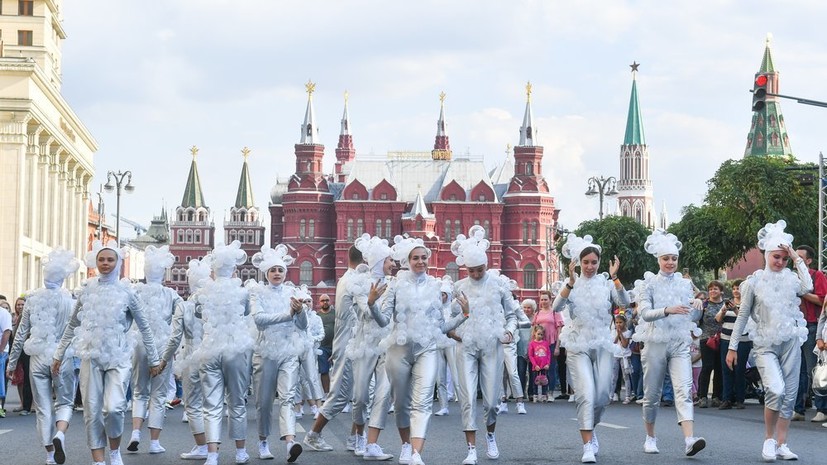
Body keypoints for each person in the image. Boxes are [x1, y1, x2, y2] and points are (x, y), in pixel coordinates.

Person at [52, 240, 161, 465]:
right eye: (101, 259)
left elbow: (145, 328)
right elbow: (72, 325)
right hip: (90, 356)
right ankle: (98, 460)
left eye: (110, 259)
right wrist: (58, 354)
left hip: (118, 357)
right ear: (95, 262)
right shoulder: (86, 290)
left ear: (118, 263)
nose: (105, 263)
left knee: (114, 408)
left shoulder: (128, 292)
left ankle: (114, 452)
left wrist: (155, 359)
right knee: (92, 410)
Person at [370, 235, 467, 465]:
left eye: (424, 257)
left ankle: (416, 453)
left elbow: (440, 326)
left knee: (422, 402)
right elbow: (384, 321)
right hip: (398, 350)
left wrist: (464, 316)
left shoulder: (435, 286)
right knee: (401, 402)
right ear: (407, 260)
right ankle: (405, 445)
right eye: (416, 258)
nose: (421, 261)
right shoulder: (394, 285)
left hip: (427, 349)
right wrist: (372, 303)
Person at [726, 221, 812, 461]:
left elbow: (808, 286)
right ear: (766, 255)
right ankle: (768, 439)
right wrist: (732, 347)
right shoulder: (753, 282)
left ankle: (782, 443)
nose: (780, 262)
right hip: (764, 344)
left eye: (784, 259)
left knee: (791, 394)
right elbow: (742, 316)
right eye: (777, 257)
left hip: (791, 342)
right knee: (775, 389)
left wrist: (796, 258)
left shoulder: (790, 278)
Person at [553, 233, 629, 463]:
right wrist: (570, 283)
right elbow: (557, 306)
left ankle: (591, 427)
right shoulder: (571, 285)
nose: (590, 266)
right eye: (585, 262)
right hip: (578, 344)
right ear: (577, 263)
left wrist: (615, 278)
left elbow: (624, 302)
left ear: (599, 263)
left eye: (594, 262)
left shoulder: (607, 284)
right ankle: (587, 445)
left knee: (603, 394)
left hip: (602, 343)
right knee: (585, 393)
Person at [633, 229, 706, 457]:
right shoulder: (649, 284)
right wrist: (666, 310)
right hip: (655, 343)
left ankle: (689, 439)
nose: (670, 262)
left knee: (683, 390)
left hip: (678, 343)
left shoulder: (685, 285)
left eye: (674, 258)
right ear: (658, 260)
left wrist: (696, 307)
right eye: (666, 258)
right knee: (652, 394)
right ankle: (650, 436)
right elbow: (644, 313)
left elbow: (689, 317)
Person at [450, 226, 517, 465]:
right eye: (471, 271)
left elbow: (512, 315)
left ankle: (490, 435)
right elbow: (451, 319)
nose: (476, 274)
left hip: (491, 346)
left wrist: (509, 331)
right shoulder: (459, 287)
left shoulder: (499, 284)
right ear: (465, 269)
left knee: (490, 400)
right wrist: (454, 333)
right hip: (466, 347)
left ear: (486, 266)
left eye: (480, 270)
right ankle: (470, 448)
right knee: (467, 397)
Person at [6, 248, 79, 465]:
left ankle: (49, 454)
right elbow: (77, 332)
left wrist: (12, 363)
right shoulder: (71, 302)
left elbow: (20, 334)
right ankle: (60, 434)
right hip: (61, 356)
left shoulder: (32, 300)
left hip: (37, 357)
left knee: (43, 408)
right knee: (65, 402)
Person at [189, 241, 254, 465]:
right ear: (234, 270)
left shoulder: (202, 293)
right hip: (235, 348)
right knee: (237, 402)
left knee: (211, 404)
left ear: (213, 270)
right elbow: (246, 313)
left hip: (210, 348)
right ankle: (240, 451)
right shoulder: (243, 292)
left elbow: (198, 315)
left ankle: (213, 454)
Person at [248, 244, 307, 462]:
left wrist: (300, 312)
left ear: (285, 273)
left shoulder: (293, 293)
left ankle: (290, 442)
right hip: (265, 353)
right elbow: (259, 320)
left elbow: (302, 325)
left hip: (288, 351)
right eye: (273, 270)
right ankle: (263, 441)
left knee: (288, 397)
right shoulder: (257, 293)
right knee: (264, 401)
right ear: (266, 273)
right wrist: (287, 314)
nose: (277, 273)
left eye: (280, 270)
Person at [303, 246, 362, 452]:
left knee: (363, 394)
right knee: (339, 395)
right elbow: (364, 313)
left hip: (354, 346)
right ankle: (313, 434)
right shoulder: (354, 281)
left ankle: (356, 438)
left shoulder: (349, 278)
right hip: (349, 346)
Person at [127, 246, 182, 455]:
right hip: (162, 345)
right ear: (164, 272)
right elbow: (180, 320)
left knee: (139, 392)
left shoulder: (136, 291)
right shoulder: (171, 294)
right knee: (158, 395)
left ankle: (134, 433)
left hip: (139, 344)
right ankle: (154, 442)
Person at [158, 257, 211, 460]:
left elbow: (174, 338)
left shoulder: (185, 306)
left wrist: (164, 360)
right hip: (213, 354)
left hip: (191, 355)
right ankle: (229, 449)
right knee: (214, 404)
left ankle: (202, 446)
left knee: (192, 403)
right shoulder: (214, 305)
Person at [792, 245, 827, 422]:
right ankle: (798, 409)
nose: (794, 259)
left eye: (799, 257)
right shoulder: (789, 277)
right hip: (793, 328)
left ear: (808, 260)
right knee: (797, 370)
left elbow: (822, 300)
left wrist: (802, 292)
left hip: (811, 326)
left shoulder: (816, 275)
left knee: (814, 369)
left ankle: (822, 408)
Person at [497, 276, 531, 415]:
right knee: (500, 374)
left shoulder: (513, 304)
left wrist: (513, 328)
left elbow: (526, 322)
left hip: (510, 342)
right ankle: (503, 401)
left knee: (512, 372)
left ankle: (519, 402)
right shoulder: (491, 304)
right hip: (495, 342)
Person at [716, 279, 749, 409]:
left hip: (742, 341)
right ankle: (726, 398)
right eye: (734, 288)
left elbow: (746, 321)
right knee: (726, 369)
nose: (736, 291)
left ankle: (740, 399)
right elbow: (717, 319)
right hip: (726, 339)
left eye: (739, 288)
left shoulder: (747, 303)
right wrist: (724, 309)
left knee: (739, 369)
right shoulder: (727, 302)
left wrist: (736, 309)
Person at [697, 281, 725, 408]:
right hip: (706, 339)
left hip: (722, 339)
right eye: (711, 289)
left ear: (721, 291)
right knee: (707, 367)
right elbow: (697, 321)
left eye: (715, 289)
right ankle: (702, 396)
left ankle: (716, 397)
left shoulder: (726, 304)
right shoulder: (704, 304)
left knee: (719, 368)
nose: (713, 291)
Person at [435, 276, 460, 416]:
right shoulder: (435, 309)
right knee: (440, 377)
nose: (441, 297)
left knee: (455, 374)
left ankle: (464, 403)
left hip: (450, 343)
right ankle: (443, 406)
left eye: (443, 294)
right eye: (439, 294)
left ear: (448, 295)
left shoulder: (452, 308)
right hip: (438, 344)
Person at [535, 290, 564, 401]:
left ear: (550, 300)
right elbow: (534, 329)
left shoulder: (555, 312)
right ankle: (542, 392)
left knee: (551, 368)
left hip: (551, 344)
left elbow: (559, 330)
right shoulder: (538, 313)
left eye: (545, 299)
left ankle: (550, 393)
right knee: (541, 369)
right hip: (539, 345)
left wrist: (557, 346)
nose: (543, 301)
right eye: (542, 299)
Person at [11, 296, 34, 415]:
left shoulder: (31, 315)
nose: (20, 307)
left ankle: (30, 405)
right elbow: (16, 336)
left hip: (29, 350)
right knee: (24, 379)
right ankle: (26, 405)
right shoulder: (18, 317)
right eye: (18, 304)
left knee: (30, 378)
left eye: (22, 304)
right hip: (21, 351)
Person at [612, 314, 634, 404]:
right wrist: (617, 333)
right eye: (616, 323)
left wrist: (621, 333)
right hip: (616, 355)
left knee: (626, 377)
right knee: (613, 377)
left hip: (625, 356)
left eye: (620, 322)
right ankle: (611, 395)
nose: (618, 324)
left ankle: (627, 396)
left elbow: (625, 345)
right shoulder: (614, 331)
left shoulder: (628, 332)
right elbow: (614, 341)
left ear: (624, 323)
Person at [518, 300, 536, 401]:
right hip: (520, 348)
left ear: (533, 309)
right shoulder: (519, 318)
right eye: (524, 307)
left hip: (532, 349)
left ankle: (531, 393)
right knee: (521, 372)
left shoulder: (536, 318)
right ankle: (520, 393)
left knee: (532, 372)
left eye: (529, 307)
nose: (526, 310)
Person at [316, 294, 334, 394]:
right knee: (324, 371)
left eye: (327, 300)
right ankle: (327, 394)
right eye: (323, 300)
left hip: (335, 347)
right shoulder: (317, 316)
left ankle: (336, 395)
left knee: (338, 372)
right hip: (322, 348)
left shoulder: (335, 314)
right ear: (320, 303)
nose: (325, 302)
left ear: (330, 301)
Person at [528, 325, 551, 402]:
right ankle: (535, 395)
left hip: (544, 366)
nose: (540, 336)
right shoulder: (532, 344)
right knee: (535, 381)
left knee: (544, 381)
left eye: (541, 334)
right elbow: (531, 355)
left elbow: (548, 354)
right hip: (536, 366)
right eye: (538, 334)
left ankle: (544, 395)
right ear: (534, 333)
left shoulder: (545, 343)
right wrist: (535, 365)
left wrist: (548, 364)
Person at [0, 299, 12, 418]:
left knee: (1, 381)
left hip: (1, 352)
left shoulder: (3, 313)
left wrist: (1, 350)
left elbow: (7, 331)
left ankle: (0, 407)